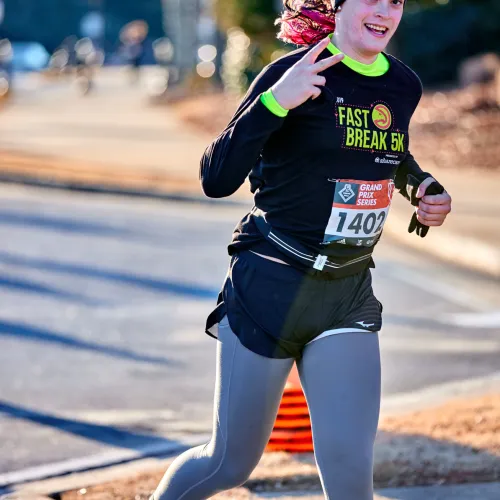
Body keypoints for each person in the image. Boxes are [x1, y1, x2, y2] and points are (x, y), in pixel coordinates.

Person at [150, 1, 452, 499]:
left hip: (347, 293)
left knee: (352, 477)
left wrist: (422, 186)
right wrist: (275, 102)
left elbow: (389, 150)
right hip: (271, 287)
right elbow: (215, 177)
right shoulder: (290, 73)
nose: (385, 10)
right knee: (228, 463)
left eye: (395, 0)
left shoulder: (403, 85)